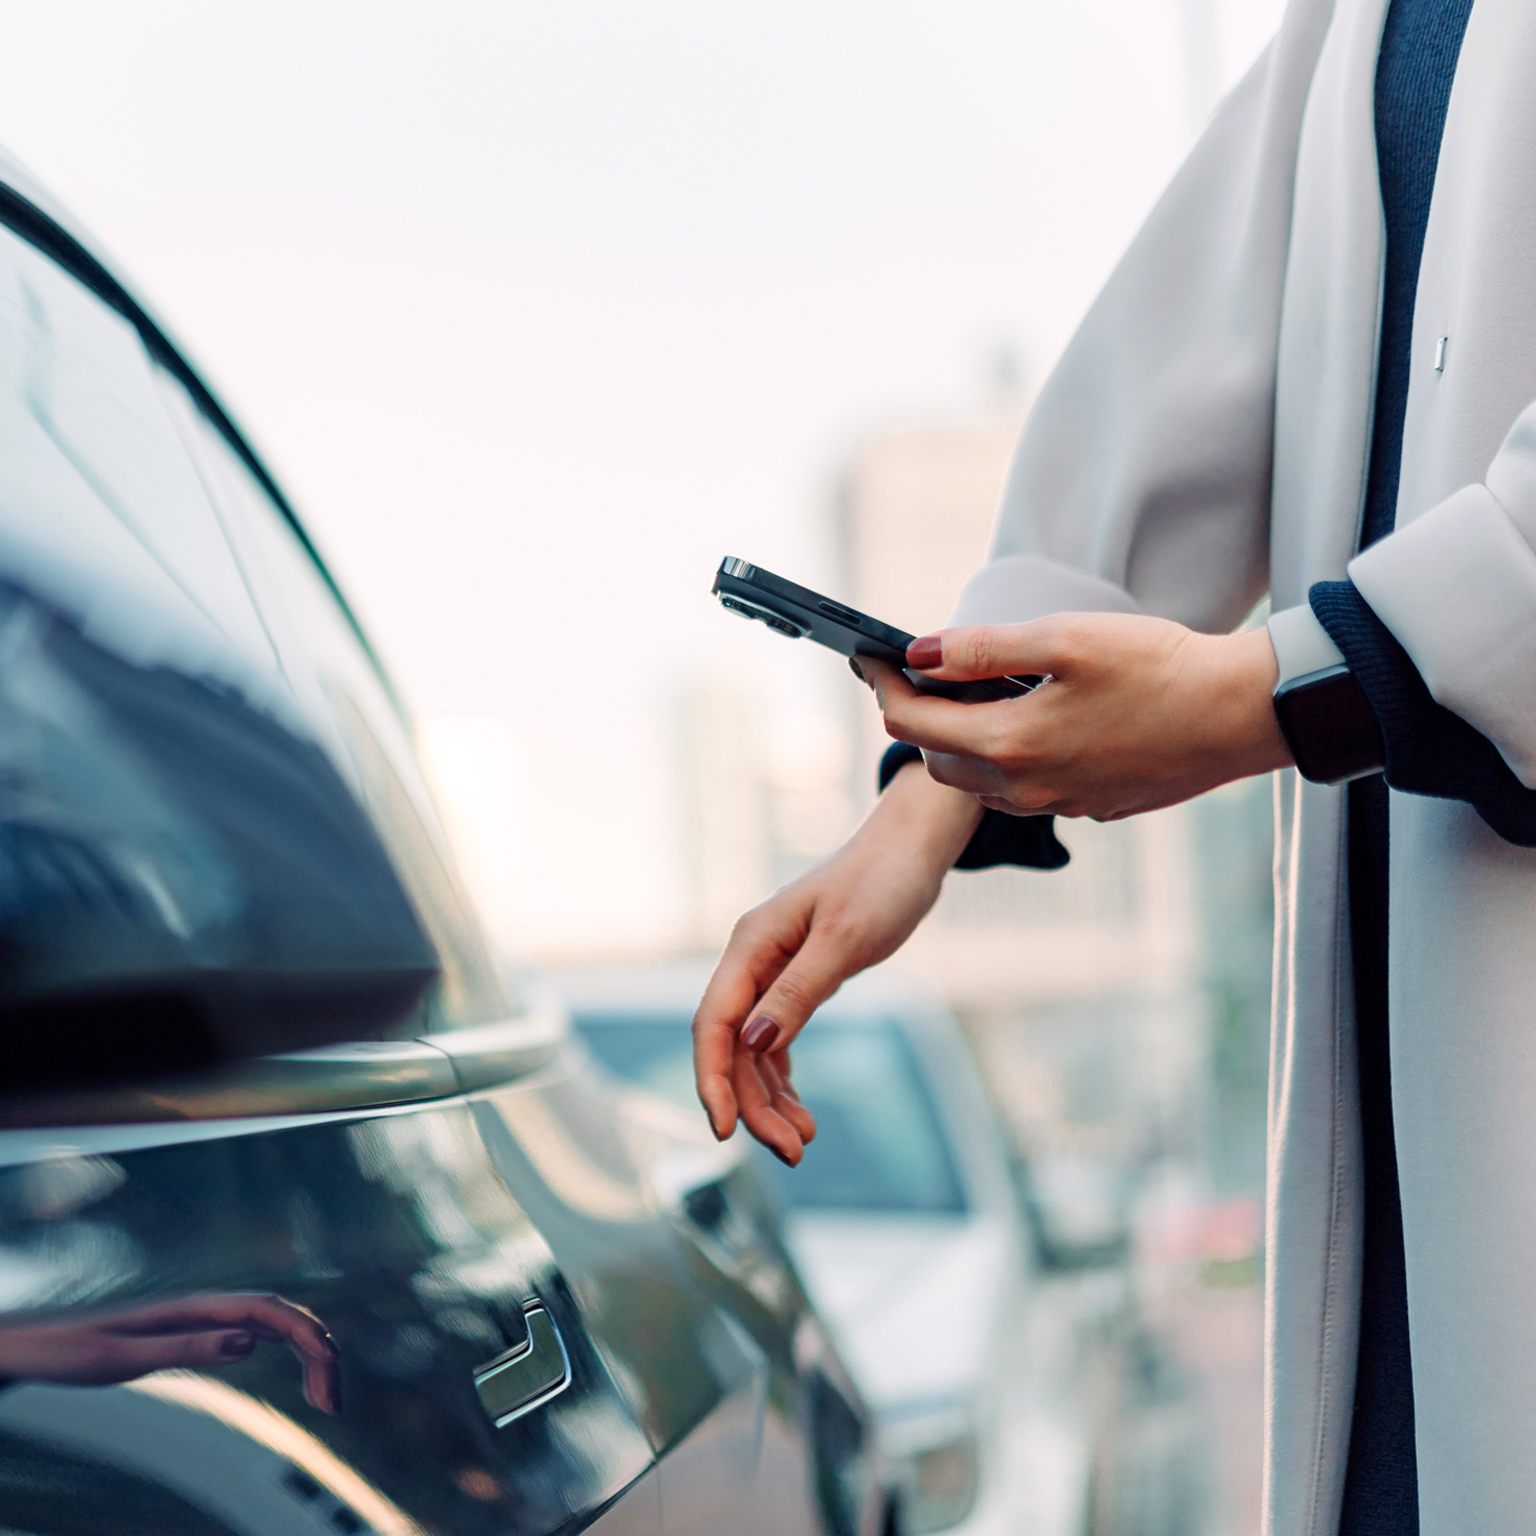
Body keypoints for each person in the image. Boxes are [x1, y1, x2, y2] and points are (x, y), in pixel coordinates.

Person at [691, 0, 1536, 1530]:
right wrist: (928, 803)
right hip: (1430, 1257)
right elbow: (1179, 382)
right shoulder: (1367, 24)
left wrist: (1278, 695)